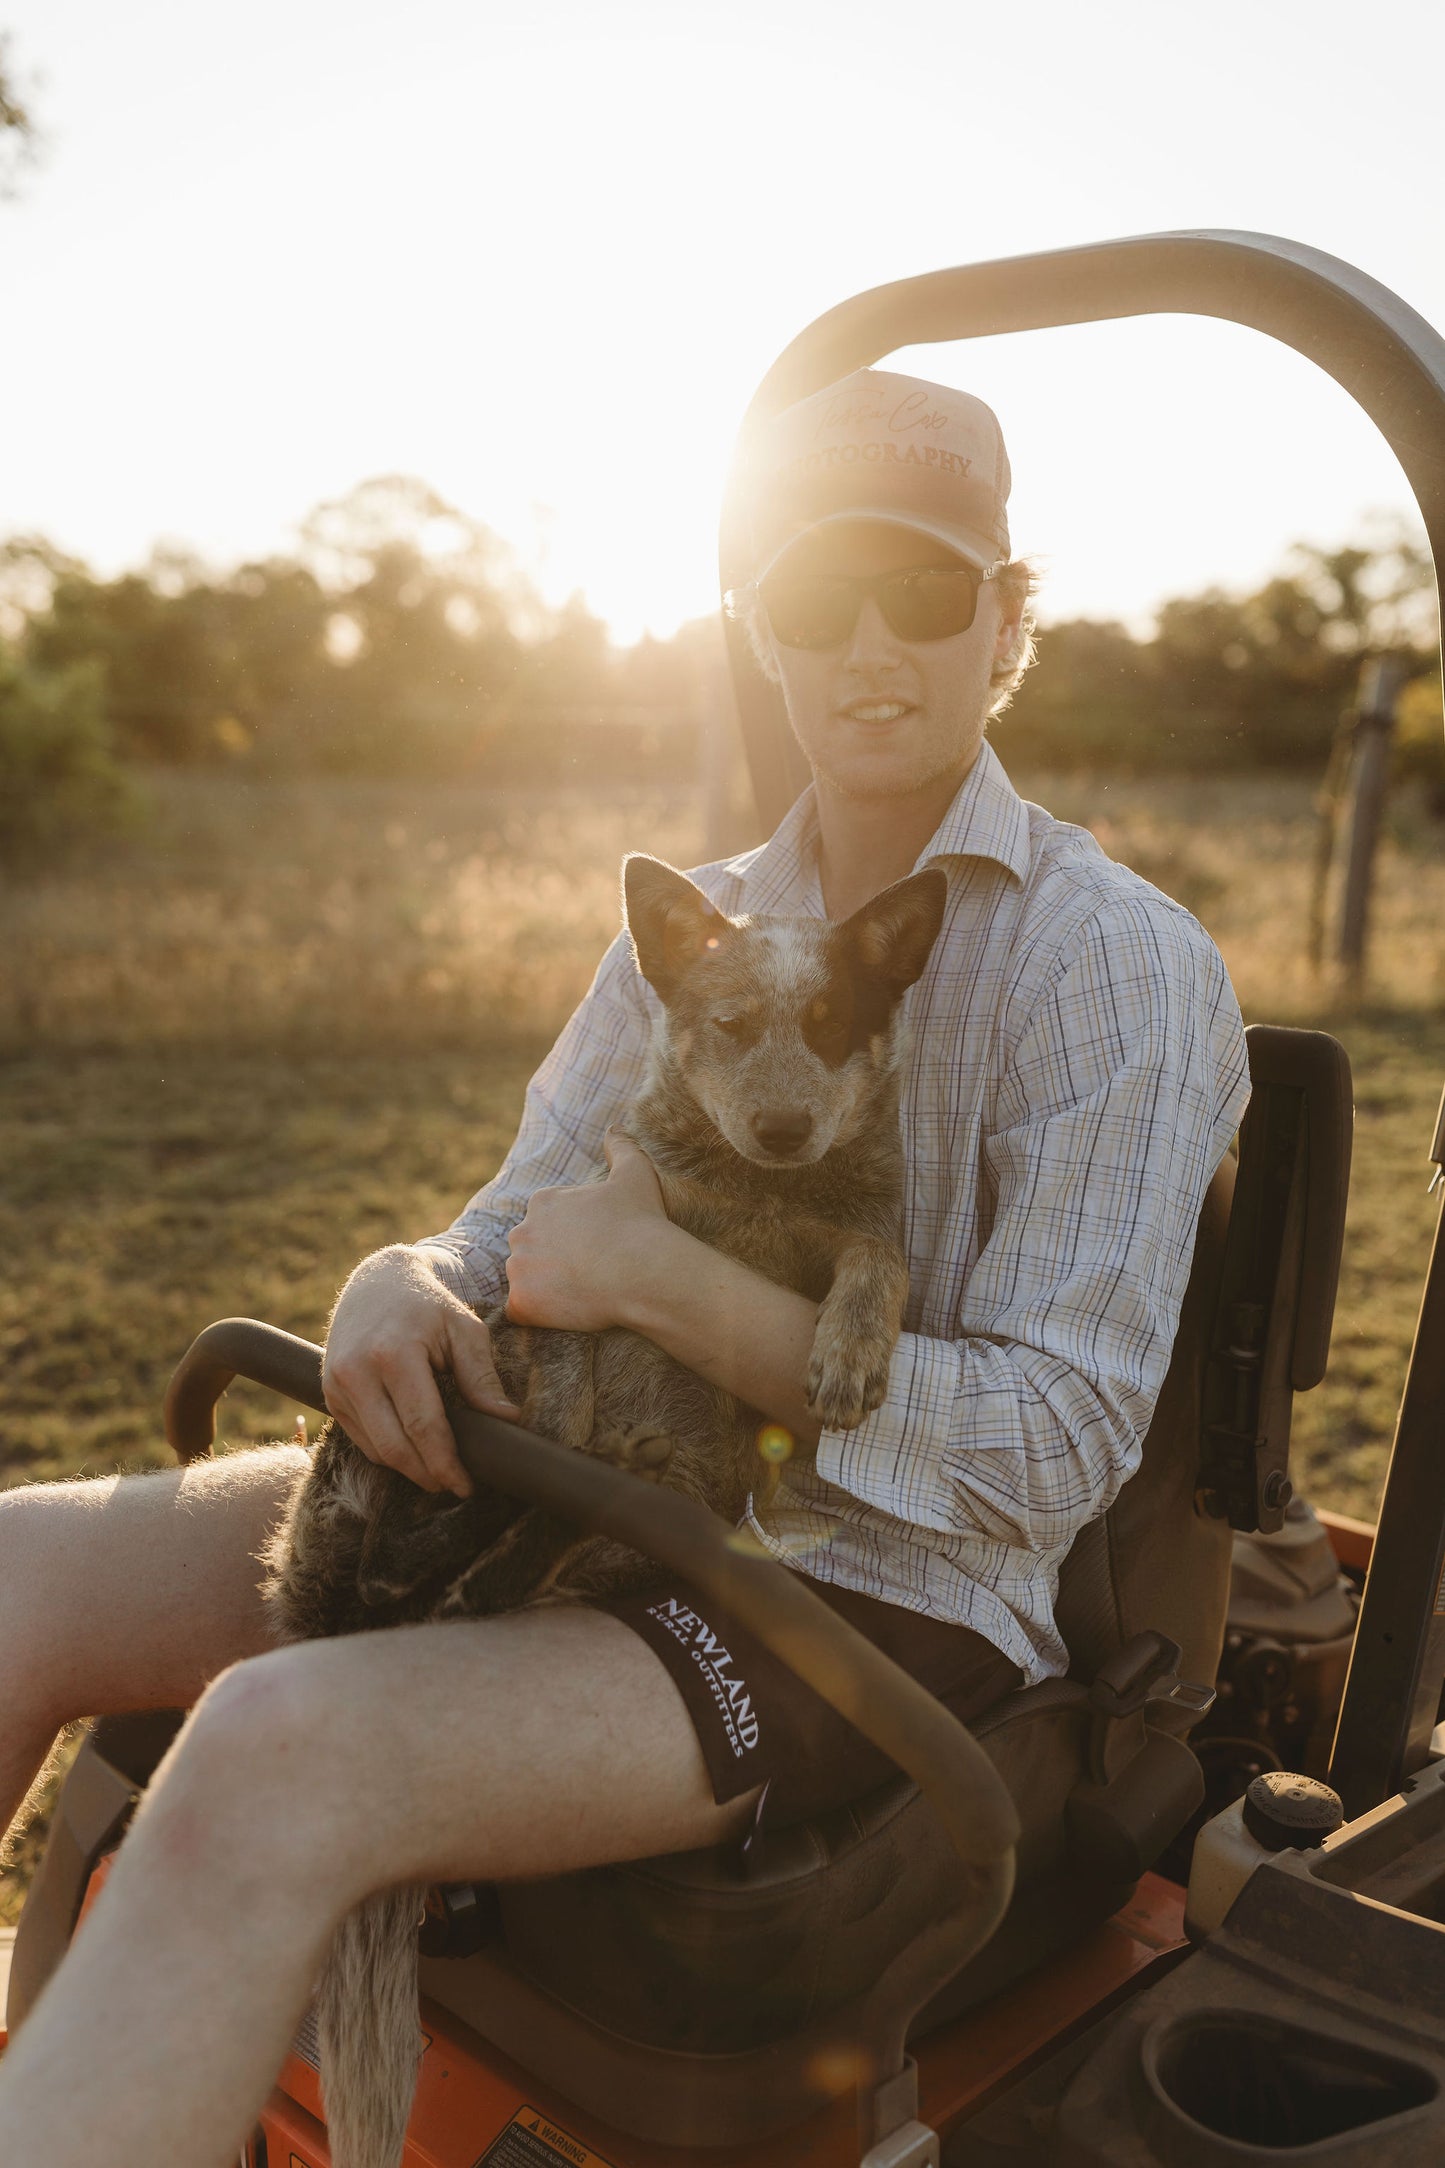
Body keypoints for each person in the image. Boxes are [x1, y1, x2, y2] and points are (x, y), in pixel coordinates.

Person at [0, 370, 1249, 2164]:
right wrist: (405, 1275)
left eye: (924, 592)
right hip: (581, 1473)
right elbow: (522, 1219)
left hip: (875, 1580)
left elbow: (1056, 1442)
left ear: (1004, 623)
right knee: (23, 1571)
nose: (871, 647)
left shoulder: (1113, 963)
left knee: (274, 1750)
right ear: (761, 631)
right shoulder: (697, 920)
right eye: (817, 603)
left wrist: (682, 1297)